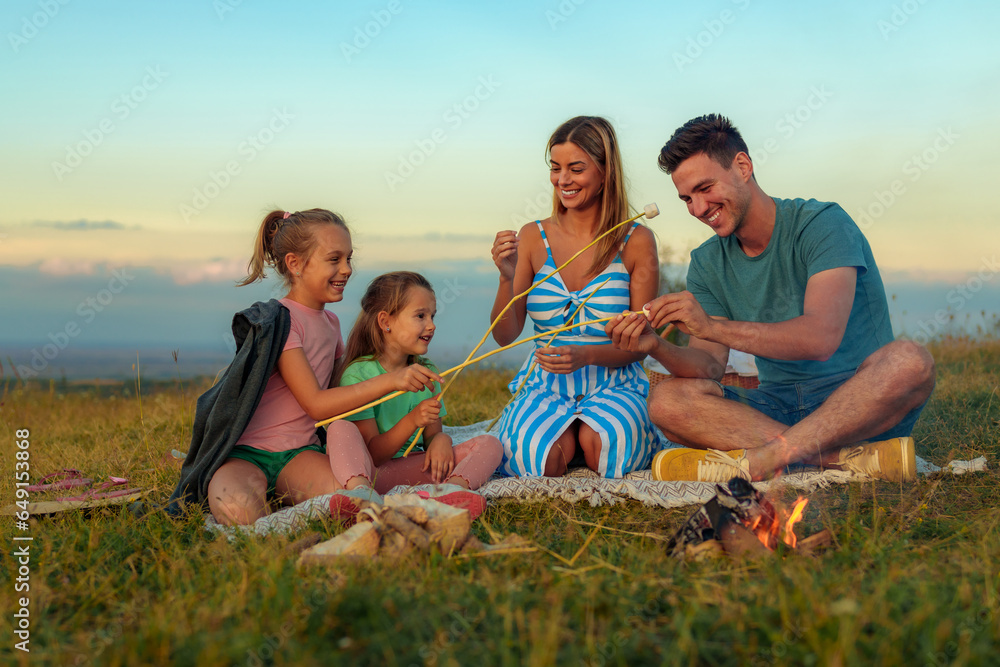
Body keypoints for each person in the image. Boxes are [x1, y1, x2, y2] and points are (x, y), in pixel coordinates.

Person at [606, 114, 936, 483]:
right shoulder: (706, 261)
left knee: (910, 361)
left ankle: (769, 458)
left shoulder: (822, 223)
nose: (698, 209)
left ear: (743, 166)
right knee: (667, 401)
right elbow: (709, 367)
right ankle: (837, 458)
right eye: (686, 198)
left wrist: (713, 325)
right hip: (775, 407)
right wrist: (654, 345)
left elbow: (820, 340)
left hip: (855, 402)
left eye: (705, 188)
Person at [172, 209, 442, 525]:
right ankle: (263, 503)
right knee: (240, 510)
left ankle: (291, 502)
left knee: (350, 500)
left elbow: (344, 390)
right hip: (247, 454)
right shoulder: (282, 322)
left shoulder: (331, 323)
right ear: (295, 264)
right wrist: (392, 381)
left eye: (349, 259)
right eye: (334, 259)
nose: (346, 269)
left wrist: (397, 366)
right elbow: (316, 404)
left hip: (299, 455)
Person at [490, 116, 662, 478]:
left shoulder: (637, 241)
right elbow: (505, 335)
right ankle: (566, 435)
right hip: (546, 384)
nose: (562, 180)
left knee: (609, 450)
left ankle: (589, 435)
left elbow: (640, 341)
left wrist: (586, 355)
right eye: (556, 168)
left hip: (616, 380)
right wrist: (507, 278)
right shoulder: (534, 236)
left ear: (605, 171)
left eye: (576, 168)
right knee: (535, 460)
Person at [337, 271, 503, 509]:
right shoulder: (358, 375)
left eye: (432, 316)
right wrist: (413, 420)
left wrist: (441, 440)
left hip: (410, 470)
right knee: (339, 429)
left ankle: (451, 492)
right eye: (420, 316)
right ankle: (361, 497)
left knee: (490, 444)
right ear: (385, 322)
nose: (431, 325)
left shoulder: (427, 373)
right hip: (371, 473)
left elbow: (432, 435)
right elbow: (373, 455)